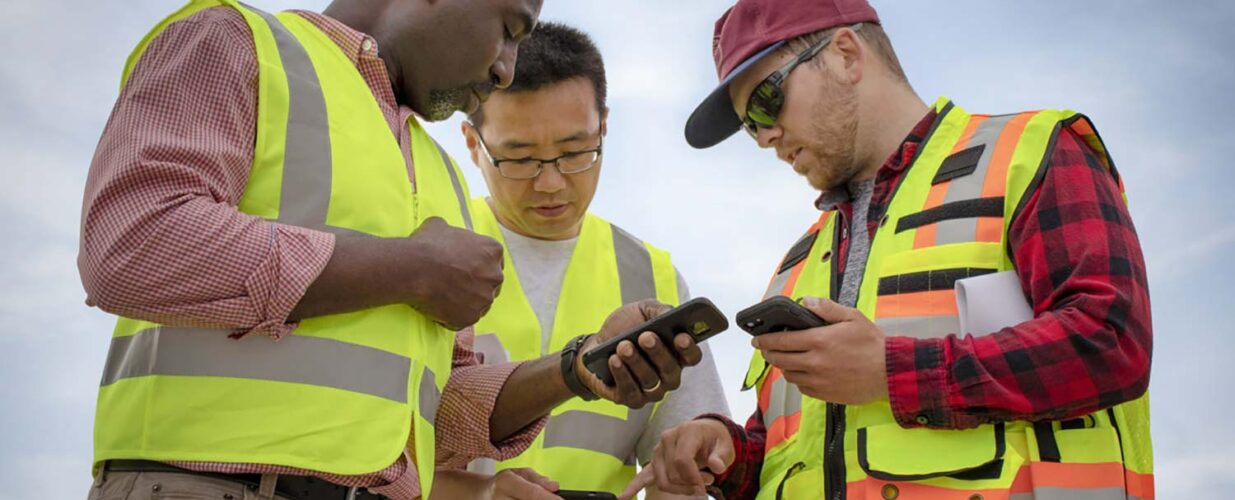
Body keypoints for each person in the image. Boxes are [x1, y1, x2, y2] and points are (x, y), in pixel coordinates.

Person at [79, 1, 701, 499]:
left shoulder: (441, 176)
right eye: (508, 28)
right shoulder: (236, 42)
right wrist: (407, 269)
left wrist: (579, 367)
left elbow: (442, 413)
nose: (506, 68)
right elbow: (130, 243)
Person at [625, 0, 1154, 498]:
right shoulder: (798, 265)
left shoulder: (1028, 155)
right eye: (749, 126)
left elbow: (1111, 339)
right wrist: (728, 454)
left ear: (846, 54)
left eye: (768, 100)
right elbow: (809, 446)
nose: (765, 137)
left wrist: (890, 372)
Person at [456, 22, 730, 498]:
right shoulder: (429, 247)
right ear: (472, 141)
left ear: (603, 126)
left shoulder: (654, 277)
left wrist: (683, 480)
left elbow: (688, 469)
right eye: (519, 159)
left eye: (574, 152)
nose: (551, 183)